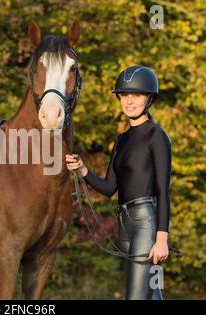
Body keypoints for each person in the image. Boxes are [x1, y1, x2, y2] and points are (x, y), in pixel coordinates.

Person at [66, 66, 171, 300]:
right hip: (124, 225)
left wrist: (161, 239)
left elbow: (163, 190)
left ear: (149, 98)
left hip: (147, 224)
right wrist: (83, 170)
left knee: (135, 297)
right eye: (124, 95)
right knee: (151, 295)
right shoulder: (121, 140)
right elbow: (109, 188)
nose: (129, 101)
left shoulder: (156, 136)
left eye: (136, 95)